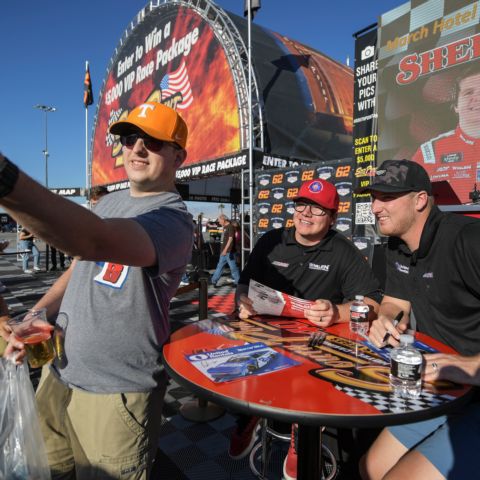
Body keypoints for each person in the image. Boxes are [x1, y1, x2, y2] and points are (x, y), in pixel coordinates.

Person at [3, 101, 193, 479]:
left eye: (153, 141)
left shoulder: (175, 220)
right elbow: (78, 267)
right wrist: (35, 314)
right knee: (45, 471)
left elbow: (93, 242)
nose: (137, 148)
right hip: (59, 373)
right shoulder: (109, 202)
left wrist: (7, 182)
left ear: (178, 157)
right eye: (129, 137)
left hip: (116, 393)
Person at [230, 178, 383, 480]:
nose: (306, 214)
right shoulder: (271, 240)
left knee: (311, 378)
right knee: (241, 365)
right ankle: (247, 417)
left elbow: (373, 301)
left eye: (317, 209)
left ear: (333, 217)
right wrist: (242, 301)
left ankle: (305, 434)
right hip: (265, 335)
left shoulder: (343, 250)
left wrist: (338, 312)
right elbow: (243, 283)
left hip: (314, 343)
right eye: (302, 205)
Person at [355, 159, 480, 480]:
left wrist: (470, 366)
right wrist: (385, 318)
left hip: (474, 389)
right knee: (369, 469)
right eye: (373, 197)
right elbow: (396, 302)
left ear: (420, 199)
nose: (375, 206)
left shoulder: (468, 239)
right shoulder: (396, 245)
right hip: (436, 387)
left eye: (386, 197)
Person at [413, 63, 480, 179]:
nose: (478, 98)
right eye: (468, 92)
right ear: (455, 106)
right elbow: (409, 194)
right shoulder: (430, 152)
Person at [210, 214, 241, 287]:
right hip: (224, 251)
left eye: (220, 220)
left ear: (224, 219)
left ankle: (238, 282)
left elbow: (230, 239)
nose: (219, 222)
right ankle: (214, 280)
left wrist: (225, 250)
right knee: (220, 266)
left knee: (233, 267)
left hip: (229, 251)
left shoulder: (230, 227)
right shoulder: (225, 227)